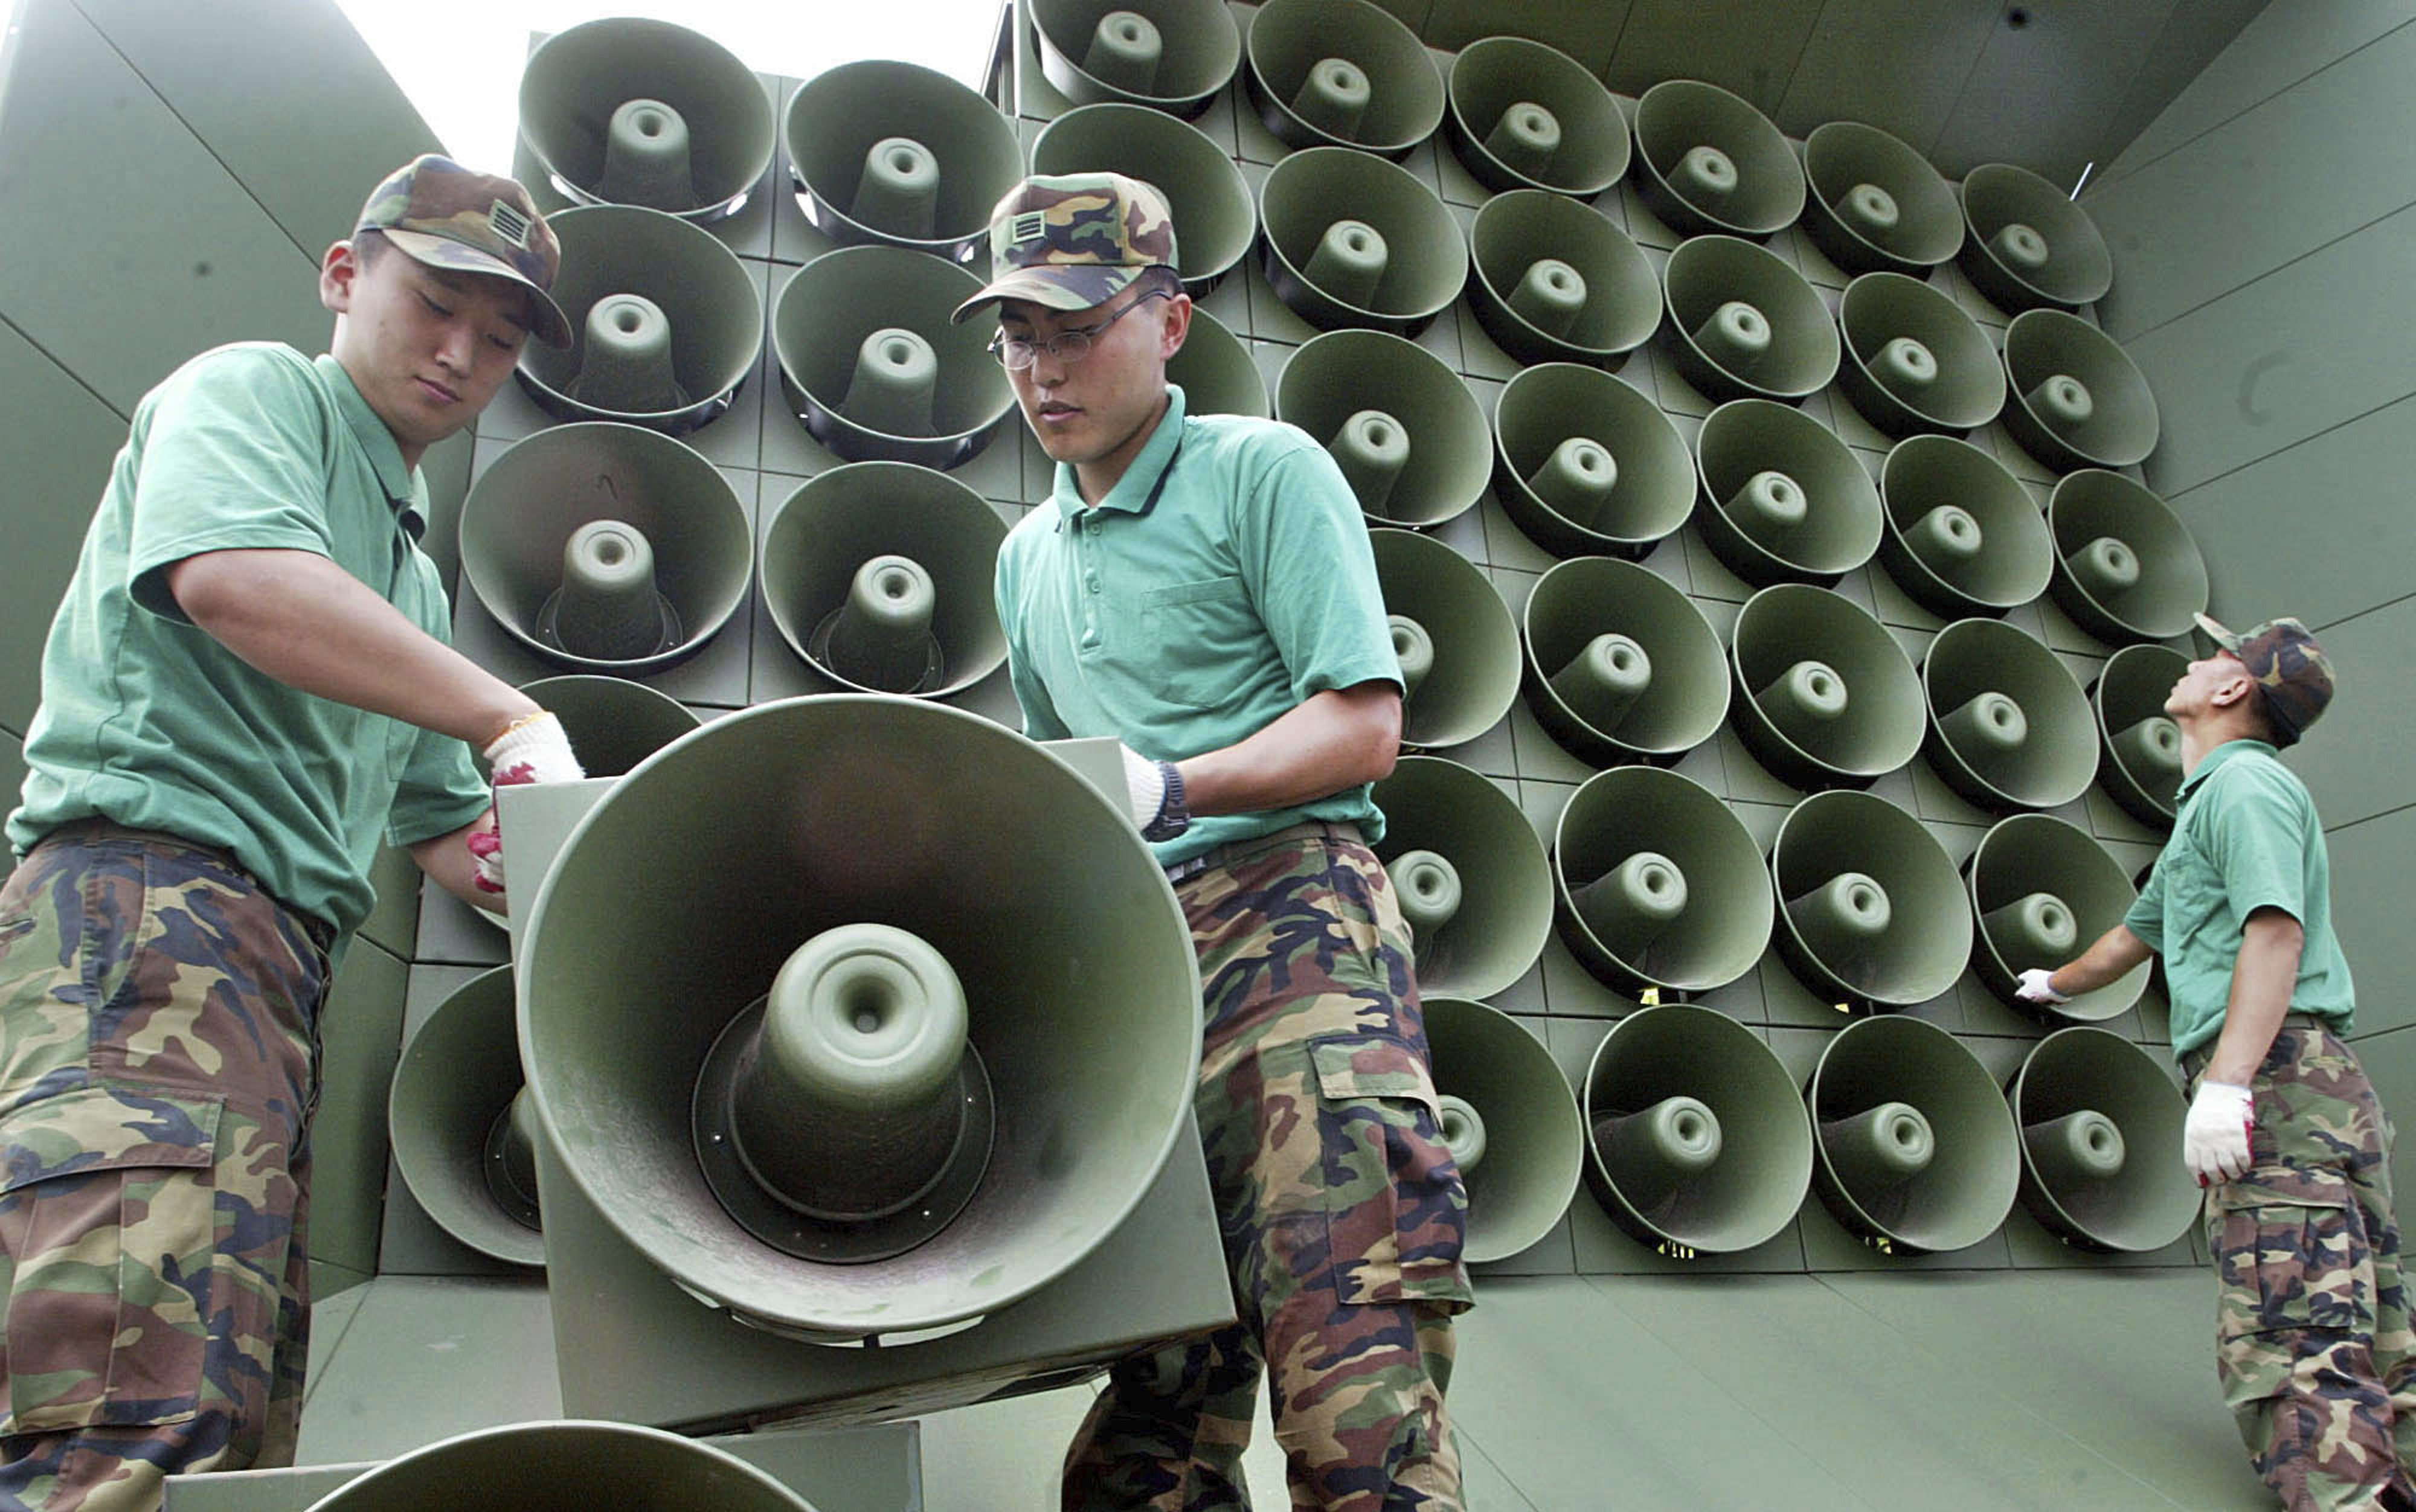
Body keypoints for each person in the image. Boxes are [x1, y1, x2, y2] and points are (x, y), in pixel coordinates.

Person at [0, 155, 586, 1511]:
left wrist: (600, 882)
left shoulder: (410, 578)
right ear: (343, 275)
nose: (460, 354)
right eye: (435, 305)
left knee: (224, 1434)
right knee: (120, 1426)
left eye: (497, 341)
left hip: (267, 981)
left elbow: (450, 839)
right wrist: (511, 715)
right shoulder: (254, 392)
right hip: (149, 919)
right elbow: (236, 580)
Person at [952, 171, 1472, 1511]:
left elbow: (1361, 727)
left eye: (1076, 327)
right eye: (1017, 335)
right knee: (1149, 1432)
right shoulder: (1024, 560)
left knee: (1356, 1400)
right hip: (1139, 983)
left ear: (1169, 321)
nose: (1041, 368)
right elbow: (1069, 795)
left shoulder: (1260, 471)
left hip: (1300, 947)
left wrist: (1172, 786)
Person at [2019, 614, 2415, 1511]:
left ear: (2234, 690)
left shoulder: (2244, 788)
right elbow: (2133, 936)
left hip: (2277, 1081)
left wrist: (2229, 1084)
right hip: (2309, 1085)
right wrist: (2055, 983)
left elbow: (2275, 930)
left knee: (2294, 1324)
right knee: (2376, 1324)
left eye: (2216, 657)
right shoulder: (2214, 804)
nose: (2196, 663)